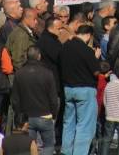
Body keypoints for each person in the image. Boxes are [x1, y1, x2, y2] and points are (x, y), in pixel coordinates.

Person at [59, 24, 101, 155]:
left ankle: (66, 152)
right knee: (84, 126)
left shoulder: (64, 47)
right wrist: (96, 58)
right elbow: (96, 72)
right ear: (88, 35)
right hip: (85, 90)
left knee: (68, 123)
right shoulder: (86, 50)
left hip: (68, 89)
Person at [11, 46, 58, 155]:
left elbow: (15, 99)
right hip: (45, 115)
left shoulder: (19, 73)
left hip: (26, 117)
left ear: (27, 56)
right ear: (39, 56)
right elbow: (53, 98)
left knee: (28, 147)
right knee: (48, 145)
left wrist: (18, 114)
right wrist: (53, 114)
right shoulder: (47, 73)